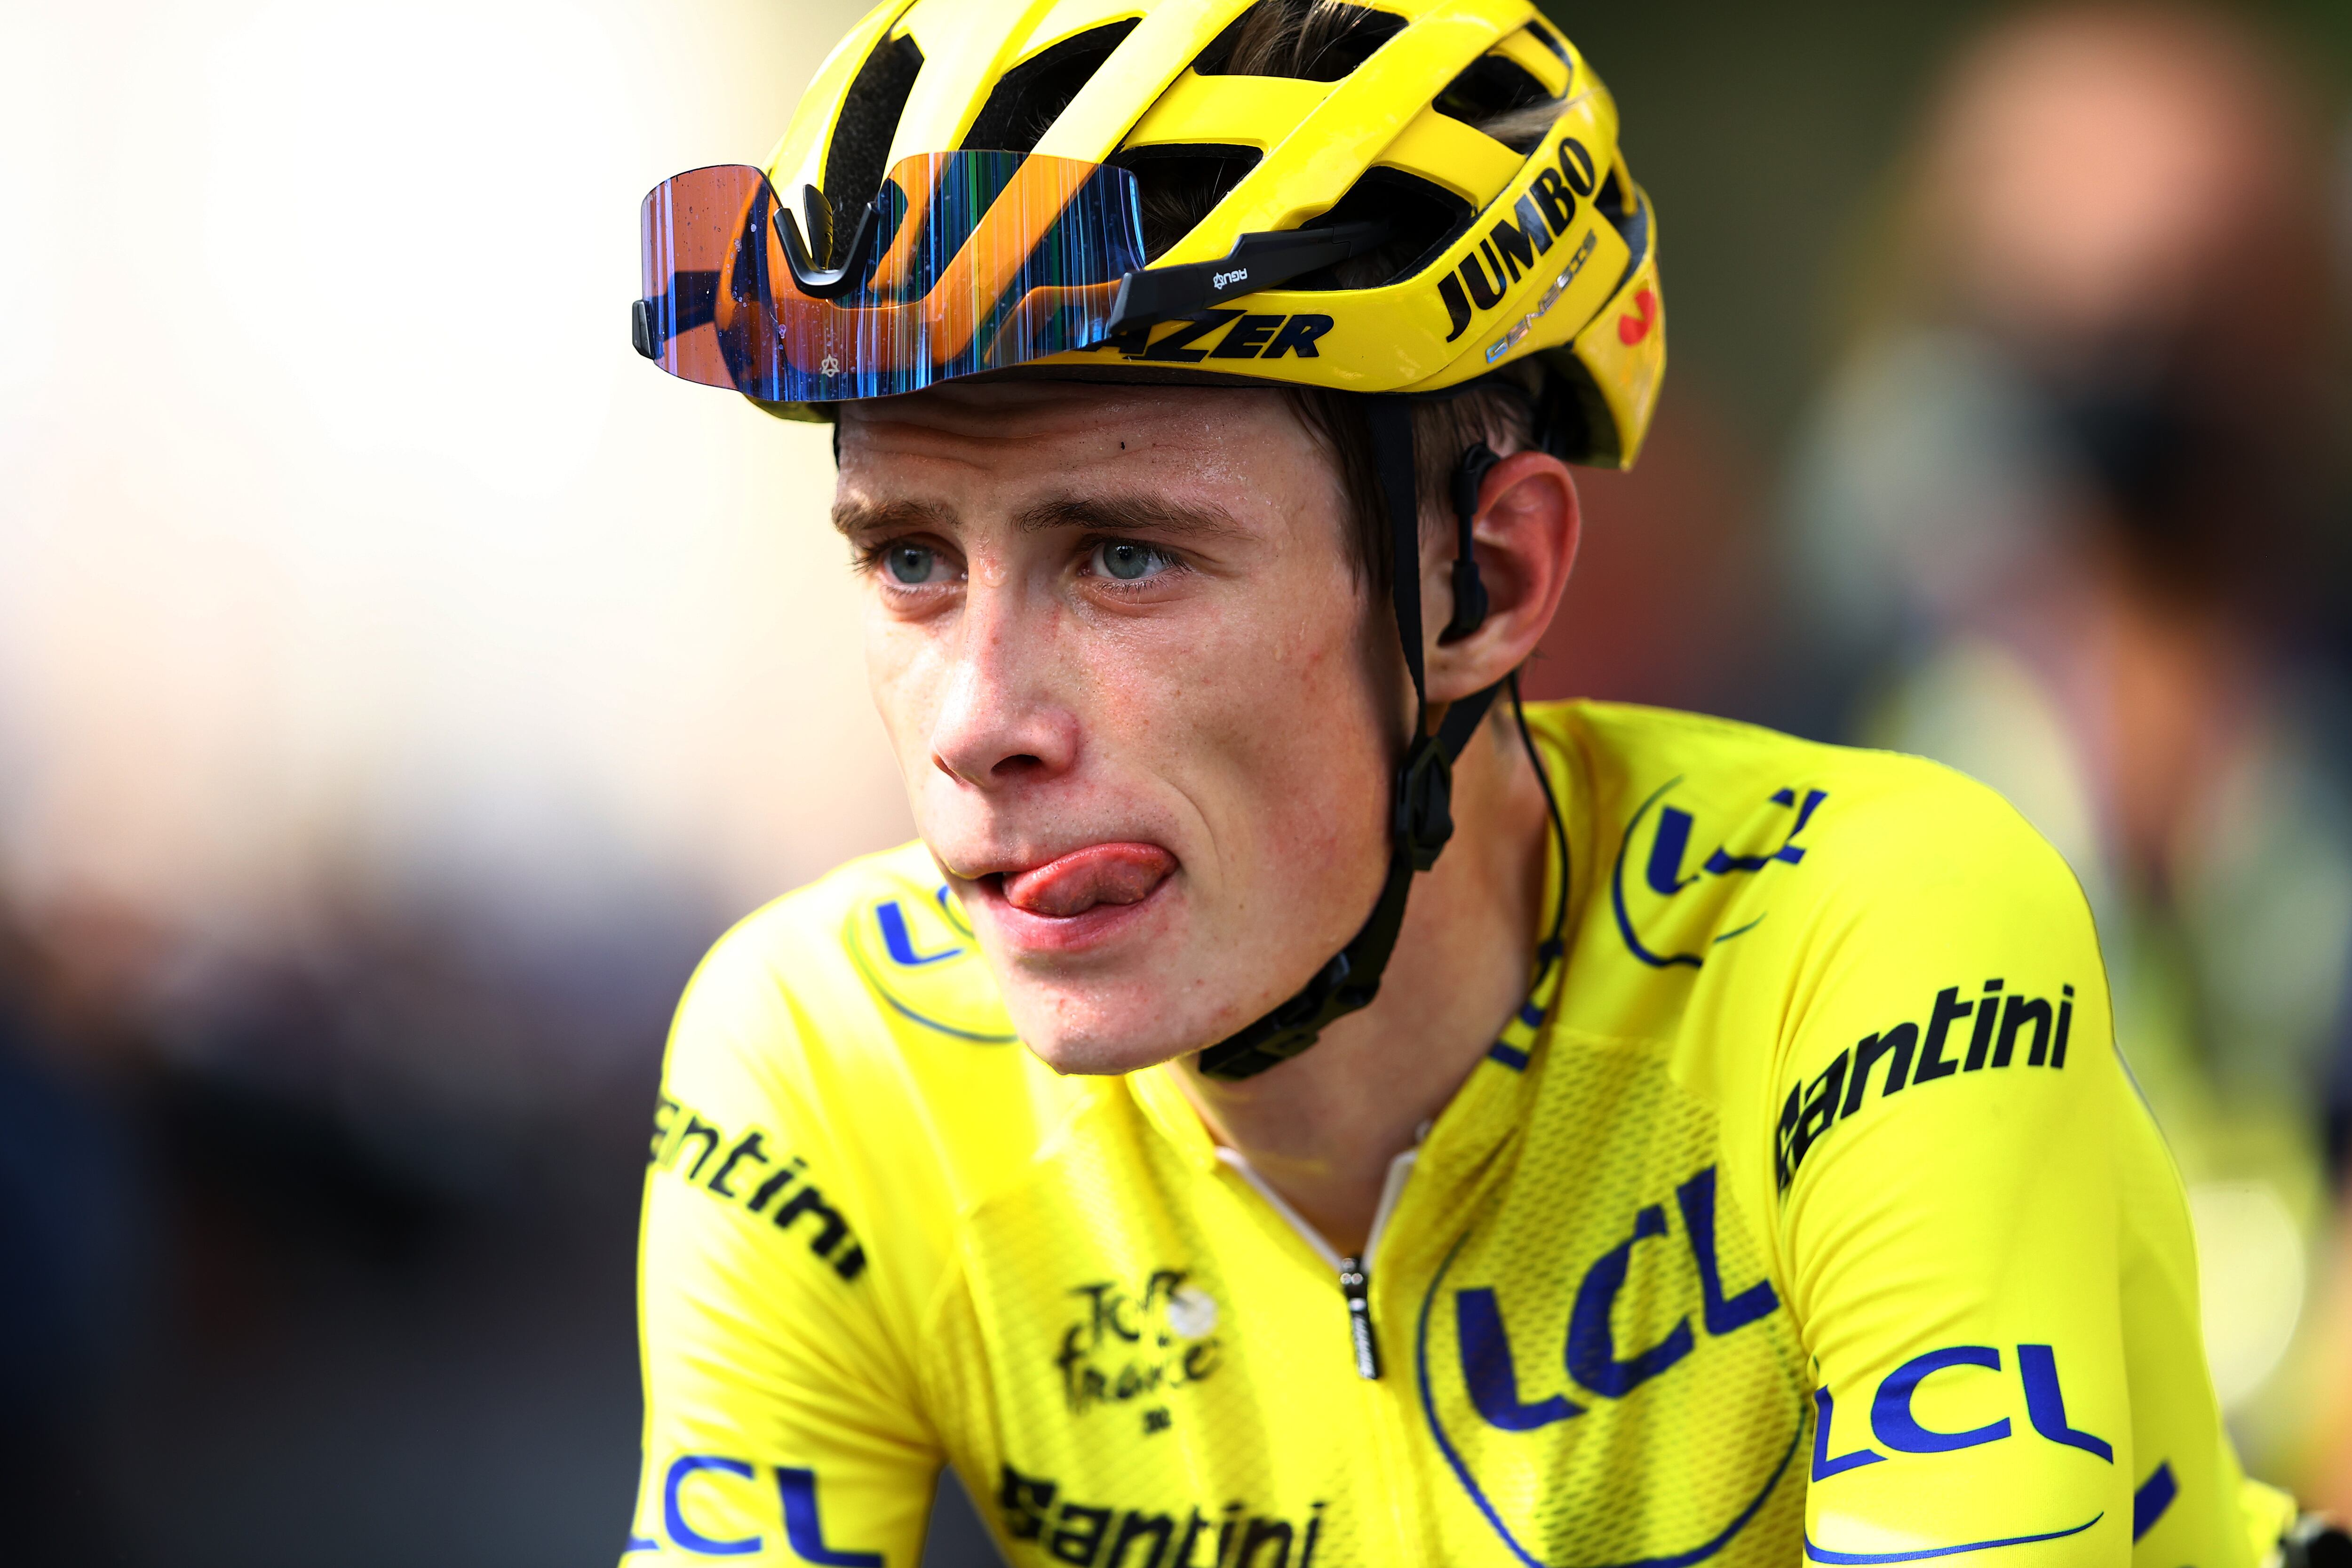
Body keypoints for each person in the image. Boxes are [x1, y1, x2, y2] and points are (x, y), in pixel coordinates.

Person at [618, 1, 2324, 1561]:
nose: (979, 717)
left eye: (1127, 559)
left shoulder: (1867, 944)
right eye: (912, 561)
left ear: (1484, 584)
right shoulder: (826, 1066)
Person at [1787, 2, 2352, 1480]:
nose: (2138, 350)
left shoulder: (2316, 685)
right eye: (2076, 287)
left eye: (2196, 288)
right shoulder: (1847, 697)